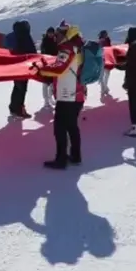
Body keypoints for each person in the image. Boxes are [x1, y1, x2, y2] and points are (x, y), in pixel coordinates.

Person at [34, 25, 84, 170]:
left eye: (58, 35)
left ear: (66, 35)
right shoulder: (78, 46)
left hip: (67, 95)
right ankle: (76, 156)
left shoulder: (67, 48)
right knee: (72, 127)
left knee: (60, 129)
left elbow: (59, 69)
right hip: (77, 94)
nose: (56, 38)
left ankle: (61, 160)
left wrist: (42, 70)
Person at [8, 20, 37, 118]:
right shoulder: (25, 37)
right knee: (22, 89)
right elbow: (32, 52)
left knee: (16, 87)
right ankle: (19, 110)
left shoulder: (14, 36)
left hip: (15, 67)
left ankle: (13, 108)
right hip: (25, 67)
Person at [39, 27, 58, 107]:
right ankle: (46, 101)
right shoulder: (44, 41)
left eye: (52, 33)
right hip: (45, 65)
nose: (50, 34)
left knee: (52, 84)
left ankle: (50, 99)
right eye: (49, 32)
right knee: (45, 84)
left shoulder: (55, 41)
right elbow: (43, 53)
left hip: (53, 64)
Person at [98, 30, 112, 94]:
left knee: (102, 75)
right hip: (106, 60)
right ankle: (104, 88)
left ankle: (103, 88)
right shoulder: (107, 41)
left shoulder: (100, 41)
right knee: (106, 75)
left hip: (102, 60)